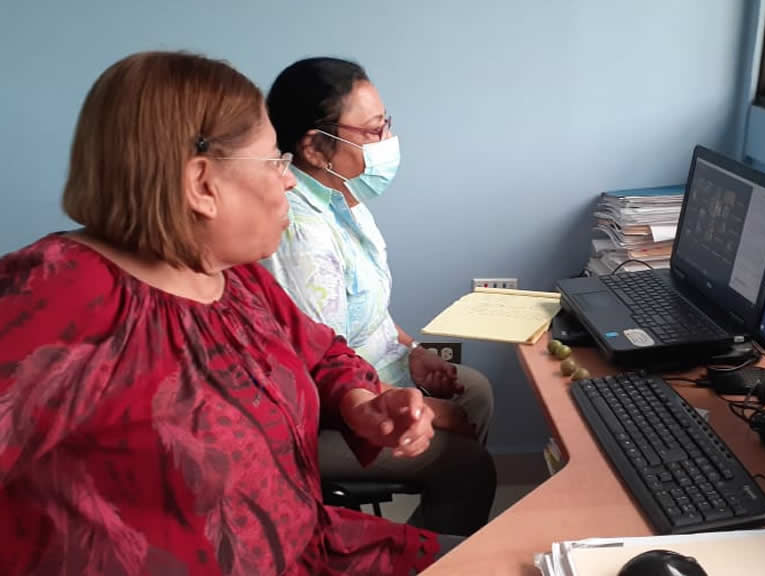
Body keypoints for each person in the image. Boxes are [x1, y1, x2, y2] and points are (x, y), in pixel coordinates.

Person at [0, 51, 455, 575]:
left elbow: (323, 351)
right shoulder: (59, 292)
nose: (289, 181)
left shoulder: (234, 278)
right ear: (201, 184)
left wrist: (358, 402)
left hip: (315, 550)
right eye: (274, 162)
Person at [262, 57, 496, 537]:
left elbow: (367, 314)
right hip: (328, 414)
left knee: (476, 390)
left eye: (386, 124)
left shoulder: (344, 199)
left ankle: (430, 534)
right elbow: (320, 365)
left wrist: (413, 353)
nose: (387, 142)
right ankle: (426, 552)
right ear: (314, 147)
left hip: (376, 373)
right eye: (372, 131)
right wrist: (431, 411)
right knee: (466, 462)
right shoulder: (300, 233)